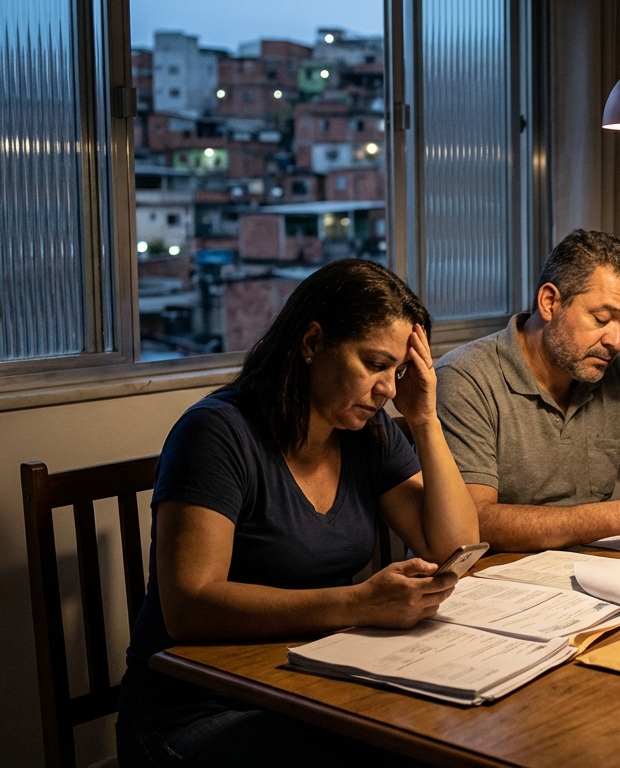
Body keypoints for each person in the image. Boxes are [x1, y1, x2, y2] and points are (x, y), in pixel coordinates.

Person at [117, 259, 480, 768]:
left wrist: (424, 419)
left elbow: (453, 546)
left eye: (397, 372)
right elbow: (188, 606)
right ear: (312, 343)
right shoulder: (216, 433)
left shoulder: (367, 434)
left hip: (309, 690)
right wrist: (358, 603)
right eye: (374, 364)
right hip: (199, 712)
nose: (389, 389)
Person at [434, 229, 620, 552]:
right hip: (496, 585)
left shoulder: (613, 376)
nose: (616, 342)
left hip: (587, 577)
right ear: (550, 302)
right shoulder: (466, 377)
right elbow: (475, 522)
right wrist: (617, 517)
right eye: (601, 318)